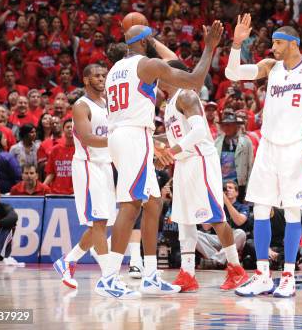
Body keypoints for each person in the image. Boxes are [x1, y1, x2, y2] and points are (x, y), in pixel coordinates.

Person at [104, 22, 223, 298]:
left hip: (130, 135)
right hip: (132, 136)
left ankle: (150, 275)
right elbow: (194, 80)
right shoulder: (147, 65)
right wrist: (209, 47)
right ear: (145, 42)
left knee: (154, 203)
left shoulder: (114, 71)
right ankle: (109, 277)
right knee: (131, 204)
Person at [226, 15, 302, 298]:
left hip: (297, 148)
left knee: (293, 211)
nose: (272, 47)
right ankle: (263, 275)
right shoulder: (270, 67)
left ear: (292, 43)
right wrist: (236, 44)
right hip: (268, 146)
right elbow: (233, 74)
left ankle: (288, 275)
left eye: (277, 42)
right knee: (261, 209)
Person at [160, 59, 248, 292]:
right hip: (183, 162)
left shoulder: (186, 96)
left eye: (160, 72)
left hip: (200, 160)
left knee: (215, 216)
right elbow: (176, 137)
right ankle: (187, 273)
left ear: (171, 74)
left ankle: (236, 269)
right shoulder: (168, 104)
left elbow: (200, 131)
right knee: (184, 218)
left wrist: (173, 150)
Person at [52, 64, 120, 296]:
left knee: (101, 224)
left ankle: (68, 261)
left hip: (105, 165)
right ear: (86, 79)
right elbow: (88, 138)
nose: (102, 79)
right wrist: (118, 140)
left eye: (104, 75)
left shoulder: (108, 104)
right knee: (99, 222)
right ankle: (108, 277)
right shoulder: (81, 106)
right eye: (97, 76)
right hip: (88, 166)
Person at [196, 180, 250, 269]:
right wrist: (211, 202)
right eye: (226, 188)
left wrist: (226, 202)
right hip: (218, 237)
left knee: (241, 233)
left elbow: (239, 221)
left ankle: (215, 260)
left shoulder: (243, 207)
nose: (227, 190)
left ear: (237, 193)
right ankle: (219, 260)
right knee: (196, 234)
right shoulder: (218, 206)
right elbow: (206, 227)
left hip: (234, 237)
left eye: (230, 188)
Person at [43, 118, 75, 195]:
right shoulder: (55, 150)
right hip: (56, 193)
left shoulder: (82, 150)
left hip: (75, 194)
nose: (70, 129)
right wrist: (42, 187)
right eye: (67, 127)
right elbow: (51, 173)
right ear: (63, 130)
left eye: (73, 127)